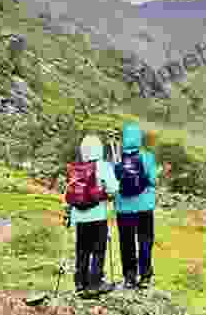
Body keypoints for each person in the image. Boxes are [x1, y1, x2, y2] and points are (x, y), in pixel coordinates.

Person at [66, 135, 119, 295]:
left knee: (82, 249)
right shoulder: (103, 166)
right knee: (98, 248)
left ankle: (80, 283)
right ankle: (95, 283)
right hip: (97, 215)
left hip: (79, 216)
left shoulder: (76, 168)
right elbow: (113, 189)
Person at [114, 122, 158, 289]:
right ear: (139, 138)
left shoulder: (116, 159)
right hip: (144, 206)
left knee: (126, 242)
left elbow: (112, 181)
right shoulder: (148, 157)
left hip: (123, 208)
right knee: (145, 240)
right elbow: (153, 180)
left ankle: (129, 277)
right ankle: (145, 276)